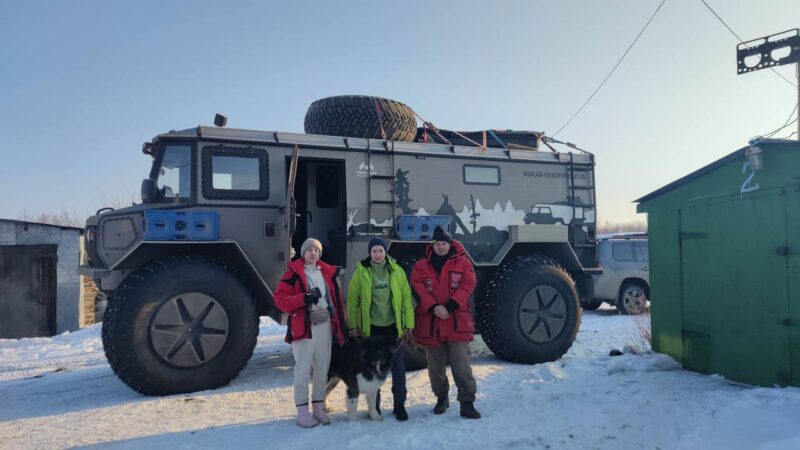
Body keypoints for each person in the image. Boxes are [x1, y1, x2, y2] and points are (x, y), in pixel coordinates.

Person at [274, 238, 349, 428]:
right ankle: (302, 412)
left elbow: (337, 302)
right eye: (309, 250)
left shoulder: (327, 273)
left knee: (322, 370)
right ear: (303, 253)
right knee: (302, 371)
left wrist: (341, 327)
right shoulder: (293, 273)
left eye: (316, 250)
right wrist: (304, 299)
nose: (313, 253)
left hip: (325, 327)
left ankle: (318, 408)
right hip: (304, 328)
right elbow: (280, 300)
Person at [410, 226, 481, 419]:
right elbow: (418, 288)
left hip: (456, 321)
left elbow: (468, 285)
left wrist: (448, 306)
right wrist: (434, 307)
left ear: (450, 245)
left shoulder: (463, 263)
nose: (441, 247)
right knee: (435, 368)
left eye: (444, 244)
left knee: (461, 364)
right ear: (432, 246)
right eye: (438, 244)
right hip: (432, 323)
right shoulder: (421, 266)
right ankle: (441, 397)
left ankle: (467, 403)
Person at [347, 237, 415, 421]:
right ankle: (374, 408)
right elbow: (353, 301)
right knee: (371, 370)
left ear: (386, 252)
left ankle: (399, 406)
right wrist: (353, 326)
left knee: (399, 369)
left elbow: (406, 299)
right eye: (374, 251)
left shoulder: (397, 271)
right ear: (370, 253)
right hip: (372, 331)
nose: (377, 254)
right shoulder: (361, 272)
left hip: (393, 331)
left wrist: (409, 324)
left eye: (380, 251)